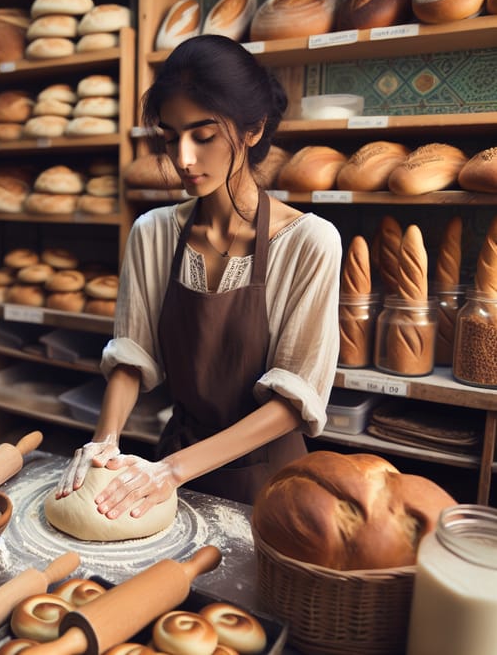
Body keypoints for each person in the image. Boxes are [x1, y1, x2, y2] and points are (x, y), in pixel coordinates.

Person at [55, 34, 341, 518]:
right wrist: (104, 440)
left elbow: (294, 401)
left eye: (203, 136)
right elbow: (132, 356)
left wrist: (171, 470)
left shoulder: (310, 243)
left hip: (269, 484)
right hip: (173, 468)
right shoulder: (153, 233)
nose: (183, 159)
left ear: (252, 130)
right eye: (170, 138)